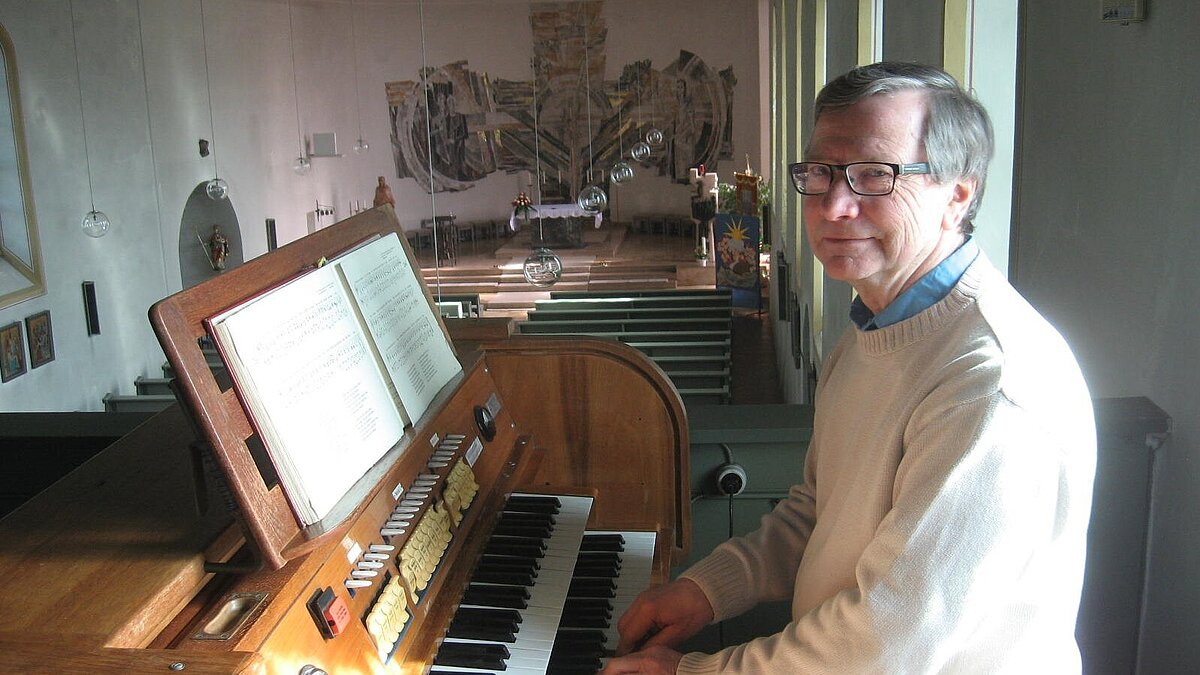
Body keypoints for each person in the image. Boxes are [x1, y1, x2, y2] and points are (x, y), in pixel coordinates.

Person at [602, 62, 1096, 674]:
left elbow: (886, 643)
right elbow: (817, 509)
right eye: (820, 174)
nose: (834, 206)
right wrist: (707, 590)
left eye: (873, 176)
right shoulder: (874, 325)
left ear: (958, 194)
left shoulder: (988, 384)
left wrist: (692, 672)